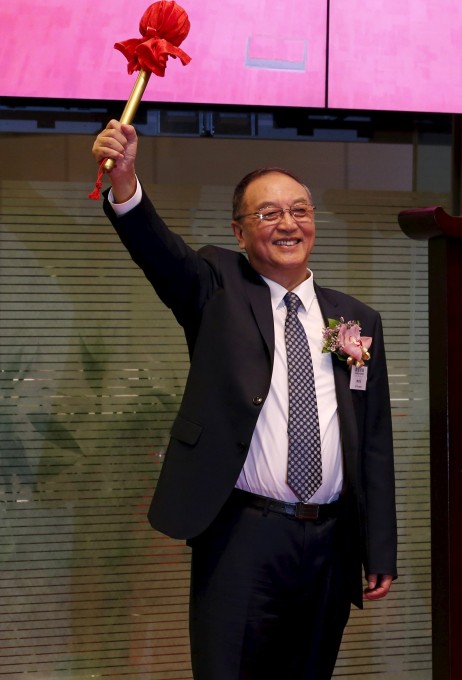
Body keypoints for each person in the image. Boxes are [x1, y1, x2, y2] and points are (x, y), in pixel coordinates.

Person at [91, 120, 397, 680]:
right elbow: (160, 254)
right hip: (242, 536)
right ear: (239, 231)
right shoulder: (216, 286)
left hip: (330, 543)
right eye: (268, 213)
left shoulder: (354, 319)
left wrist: (379, 550)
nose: (288, 224)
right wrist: (126, 182)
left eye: (300, 211)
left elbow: (374, 443)